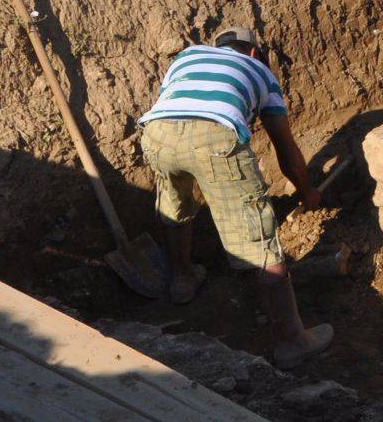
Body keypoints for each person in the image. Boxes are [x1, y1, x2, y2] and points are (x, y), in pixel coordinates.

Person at [137, 26, 332, 369]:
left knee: (173, 203)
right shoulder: (261, 72)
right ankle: (292, 342)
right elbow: (285, 150)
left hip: (156, 133)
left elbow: (176, 106)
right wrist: (308, 192)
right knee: (258, 237)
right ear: (253, 52)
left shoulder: (188, 56)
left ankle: (182, 279)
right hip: (215, 136)